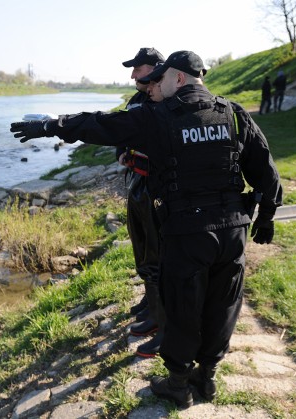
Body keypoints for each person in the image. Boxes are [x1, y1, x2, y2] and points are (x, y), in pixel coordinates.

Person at [11, 50, 282, 408]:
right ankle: (209, 377)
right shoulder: (233, 114)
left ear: (179, 79)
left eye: (162, 78)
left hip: (187, 231)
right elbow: (265, 168)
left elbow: (102, 124)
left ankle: (178, 383)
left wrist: (49, 126)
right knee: (224, 304)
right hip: (233, 231)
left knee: (182, 306)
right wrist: (266, 216)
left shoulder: (158, 116)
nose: (156, 84)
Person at [117, 48, 166, 358]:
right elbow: (120, 132)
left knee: (157, 252)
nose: (133, 74)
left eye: (138, 68)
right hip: (136, 183)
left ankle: (162, 319)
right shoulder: (137, 100)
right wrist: (120, 153)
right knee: (142, 247)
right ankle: (151, 303)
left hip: (157, 189)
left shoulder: (163, 99)